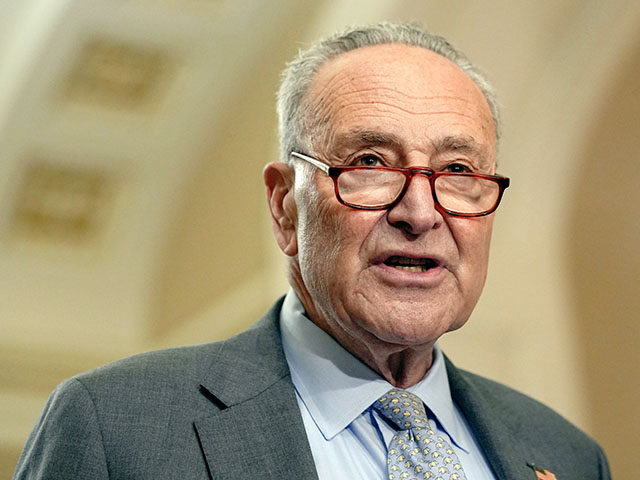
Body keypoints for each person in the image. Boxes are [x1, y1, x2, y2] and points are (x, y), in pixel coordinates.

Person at [13, 22, 610, 480]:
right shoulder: (115, 427)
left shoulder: (566, 454)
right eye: (370, 163)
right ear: (284, 206)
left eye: (457, 169)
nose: (421, 212)